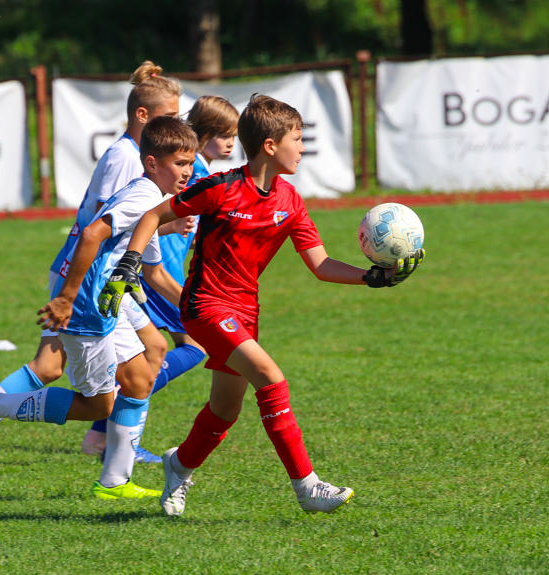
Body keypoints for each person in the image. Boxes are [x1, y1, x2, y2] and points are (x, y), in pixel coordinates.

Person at [99, 94, 425, 516]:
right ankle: (307, 487)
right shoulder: (220, 189)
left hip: (245, 313)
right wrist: (130, 261)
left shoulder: (290, 201)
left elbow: (321, 264)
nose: (302, 147)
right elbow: (152, 216)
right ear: (270, 146)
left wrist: (372, 277)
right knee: (271, 378)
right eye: (297, 137)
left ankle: (178, 465)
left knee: (224, 411)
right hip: (205, 307)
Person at [0, 61, 188, 470]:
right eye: (171, 116)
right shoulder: (128, 159)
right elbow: (96, 228)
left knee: (149, 353)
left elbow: (126, 226)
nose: (178, 123)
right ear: (143, 116)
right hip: (85, 277)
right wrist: (71, 293)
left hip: (102, 279)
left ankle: (116, 468)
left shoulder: (139, 160)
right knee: (58, 372)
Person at [136, 95, 240, 403]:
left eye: (234, 136)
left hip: (163, 269)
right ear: (204, 134)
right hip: (160, 271)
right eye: (225, 135)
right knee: (196, 344)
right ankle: (114, 410)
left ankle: (110, 429)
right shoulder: (194, 177)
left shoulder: (195, 173)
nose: (231, 143)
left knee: (156, 349)